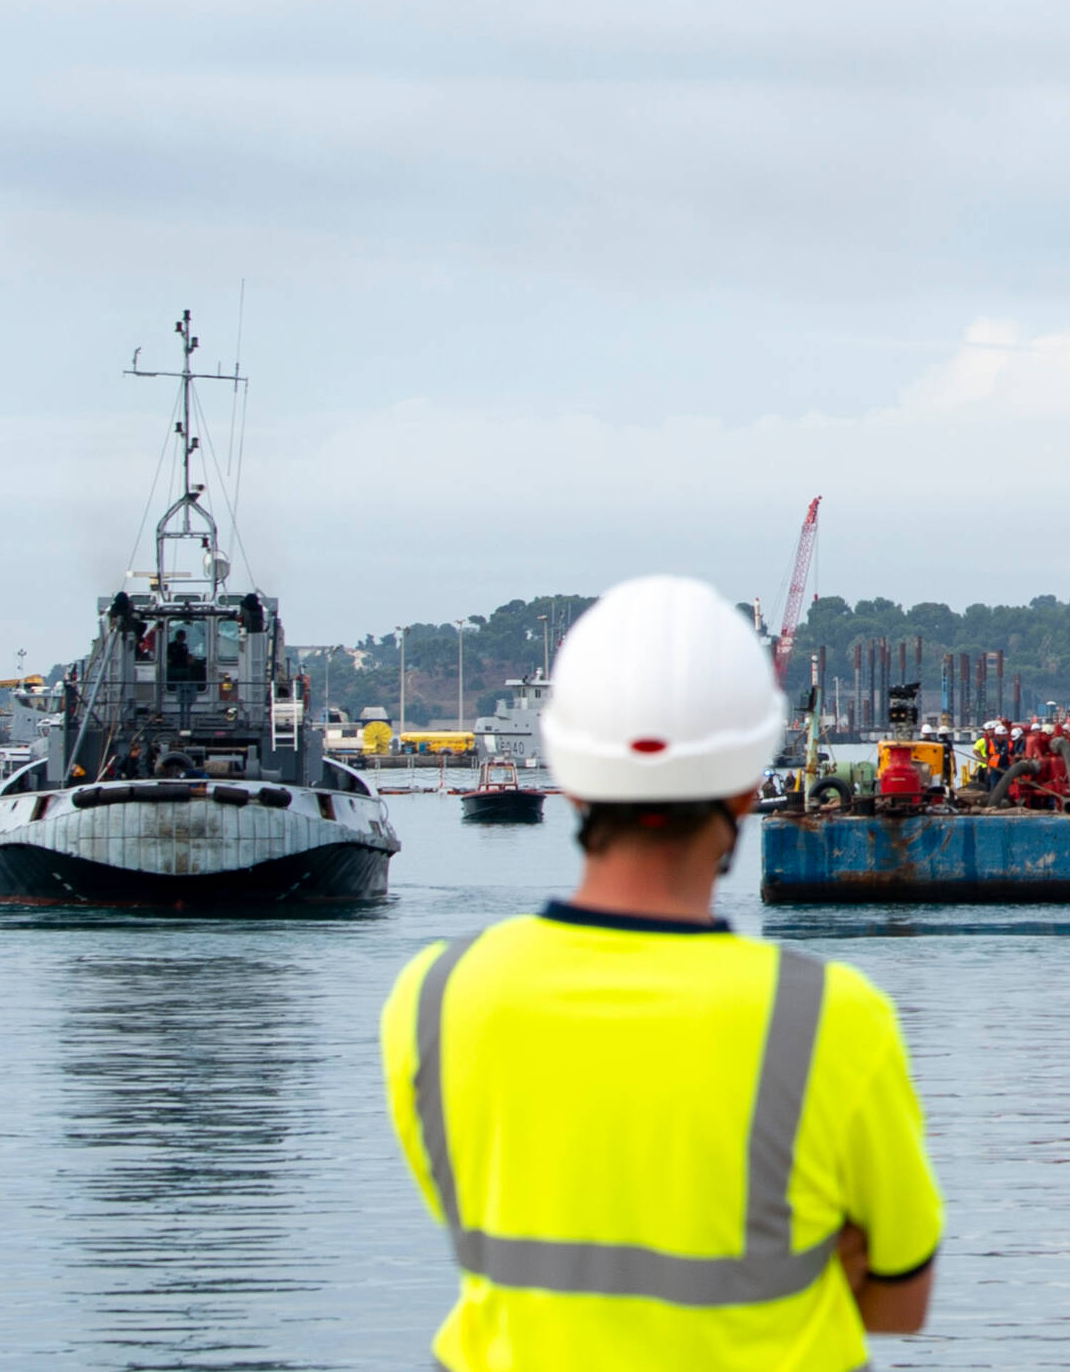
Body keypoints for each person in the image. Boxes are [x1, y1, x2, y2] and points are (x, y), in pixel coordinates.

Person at [384, 576, 944, 1369]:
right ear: (752, 785)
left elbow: (479, 1211)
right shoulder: (829, 1017)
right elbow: (900, 1298)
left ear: (569, 776)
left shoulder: (437, 997)